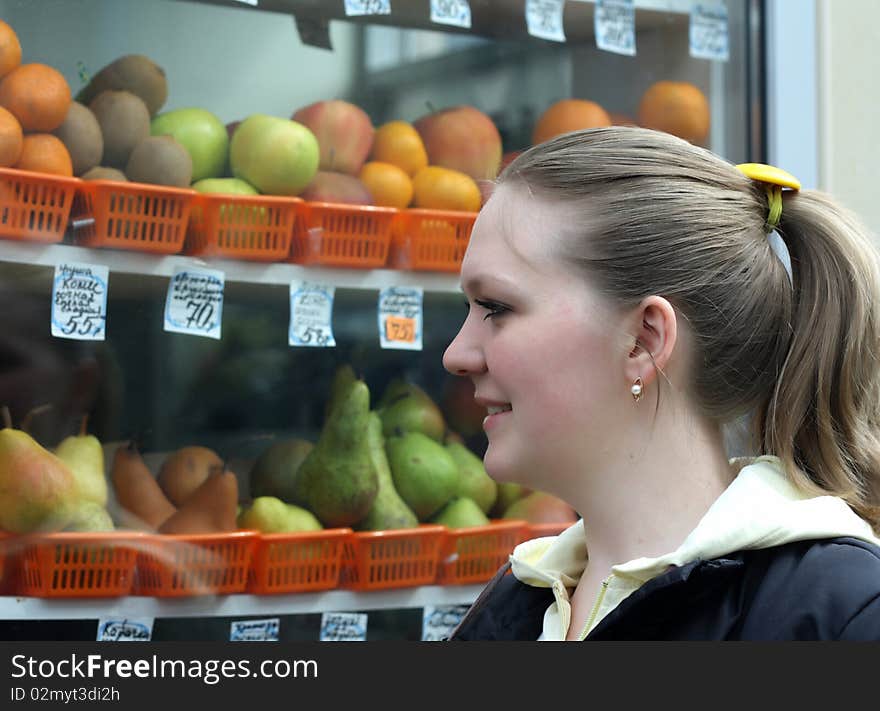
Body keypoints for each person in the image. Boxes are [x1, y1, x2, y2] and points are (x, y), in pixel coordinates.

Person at [442, 126, 880, 641]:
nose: (456, 355)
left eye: (496, 307)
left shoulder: (843, 618)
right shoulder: (520, 599)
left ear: (644, 340)